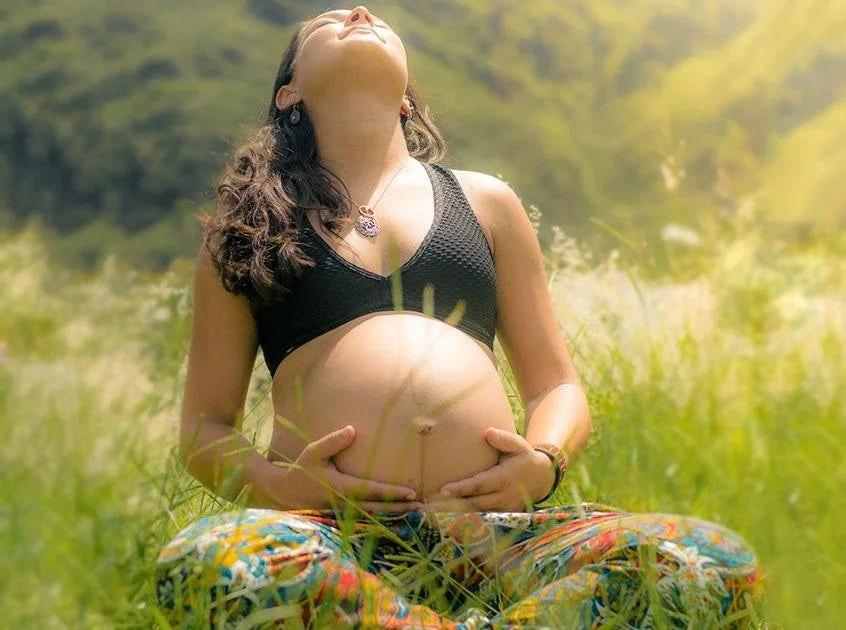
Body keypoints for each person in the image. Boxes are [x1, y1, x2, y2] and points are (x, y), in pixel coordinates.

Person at [154, 6, 761, 628]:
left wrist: (544, 462)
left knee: (711, 558)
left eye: (372, 17)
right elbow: (205, 429)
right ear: (290, 94)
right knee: (207, 563)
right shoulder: (250, 226)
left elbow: (556, 386)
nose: (359, 12)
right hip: (330, 533)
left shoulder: (484, 203)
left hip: (495, 537)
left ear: (407, 103)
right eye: (327, 22)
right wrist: (282, 488)